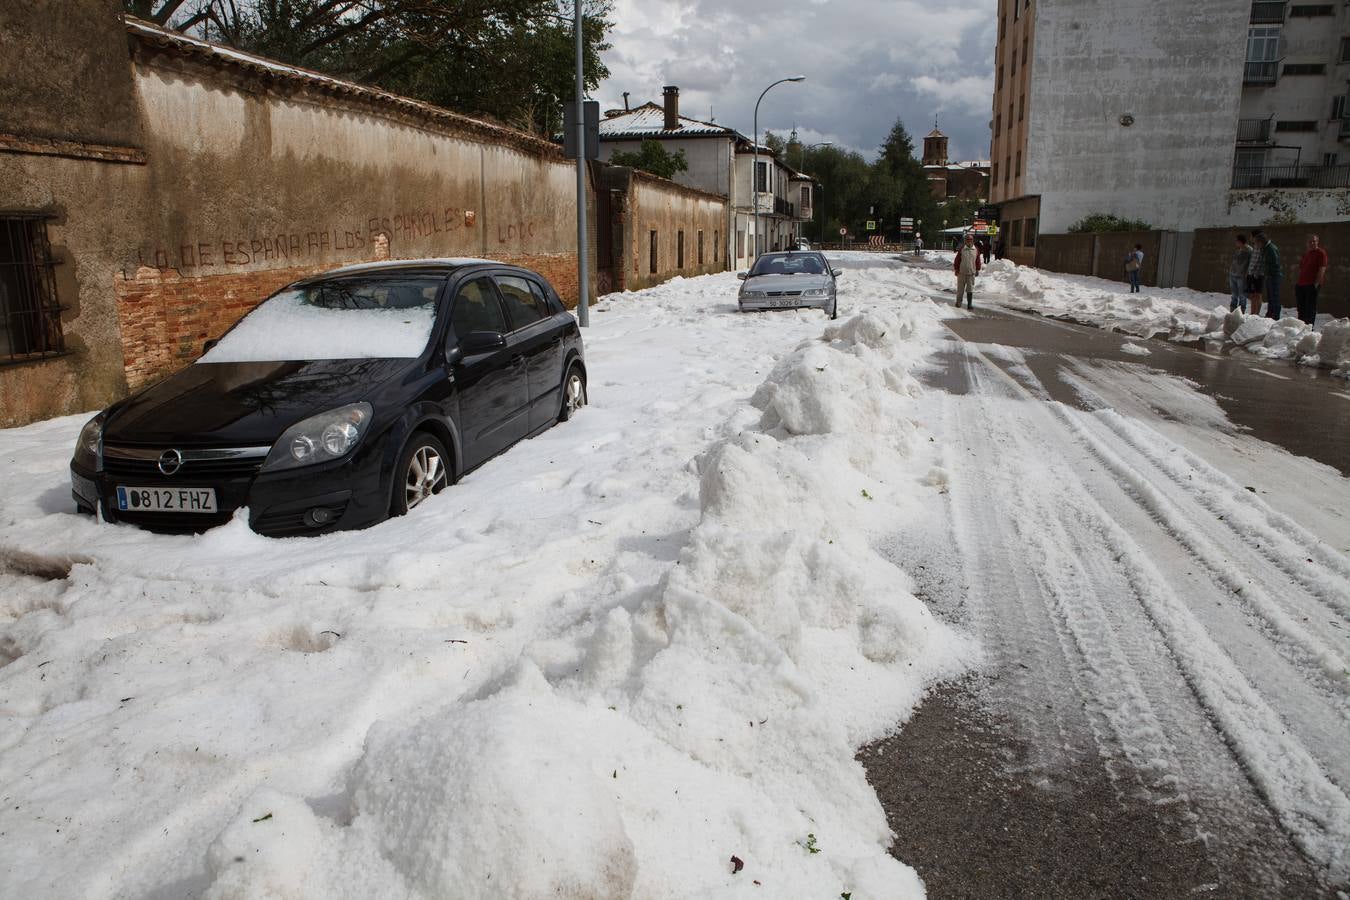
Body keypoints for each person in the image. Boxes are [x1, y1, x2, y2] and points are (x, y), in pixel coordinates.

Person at [1294, 233, 1328, 326]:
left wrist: (1316, 283)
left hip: (1312, 284)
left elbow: (1322, 269)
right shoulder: (1306, 254)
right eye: (1310, 241)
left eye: (1314, 241)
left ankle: (1309, 328)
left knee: (1310, 308)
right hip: (1301, 284)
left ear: (1317, 242)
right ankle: (1301, 326)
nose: (1312, 243)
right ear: (1307, 243)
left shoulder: (1321, 253)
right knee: (1301, 308)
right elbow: (1301, 268)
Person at [1254, 231, 1283, 319]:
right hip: (1269, 276)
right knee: (1270, 298)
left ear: (1261, 242)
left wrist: (1267, 271)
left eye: (1256, 243)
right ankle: (1270, 315)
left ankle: (1275, 317)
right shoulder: (1266, 248)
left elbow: (1275, 263)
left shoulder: (1271, 249)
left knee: (1275, 298)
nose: (1256, 245)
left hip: (1274, 276)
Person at [953, 232, 981, 309]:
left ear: (973, 240)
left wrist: (978, 269)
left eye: (971, 239)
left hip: (971, 273)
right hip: (961, 273)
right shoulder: (962, 249)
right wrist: (956, 269)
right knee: (960, 290)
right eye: (968, 239)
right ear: (965, 240)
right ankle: (958, 303)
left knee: (970, 289)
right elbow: (957, 260)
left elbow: (977, 260)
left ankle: (969, 304)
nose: (969, 241)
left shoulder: (976, 249)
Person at [1229, 234, 1252, 312]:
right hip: (1233, 274)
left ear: (1240, 241)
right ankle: (1232, 311)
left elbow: (1251, 264)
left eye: (1236, 241)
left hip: (1241, 276)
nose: (1235, 242)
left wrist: (1247, 274)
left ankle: (1241, 312)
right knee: (1234, 295)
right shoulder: (1238, 250)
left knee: (1242, 295)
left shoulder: (1249, 251)